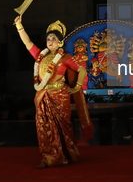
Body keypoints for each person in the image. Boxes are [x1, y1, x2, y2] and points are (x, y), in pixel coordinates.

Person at [14, 15, 93, 168]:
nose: (50, 42)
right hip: (42, 95)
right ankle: (48, 157)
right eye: (48, 39)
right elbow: (27, 42)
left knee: (62, 128)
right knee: (43, 127)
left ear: (60, 42)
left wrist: (76, 86)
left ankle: (65, 154)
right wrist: (19, 26)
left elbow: (82, 69)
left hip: (60, 97)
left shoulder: (65, 58)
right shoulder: (40, 56)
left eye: (53, 39)